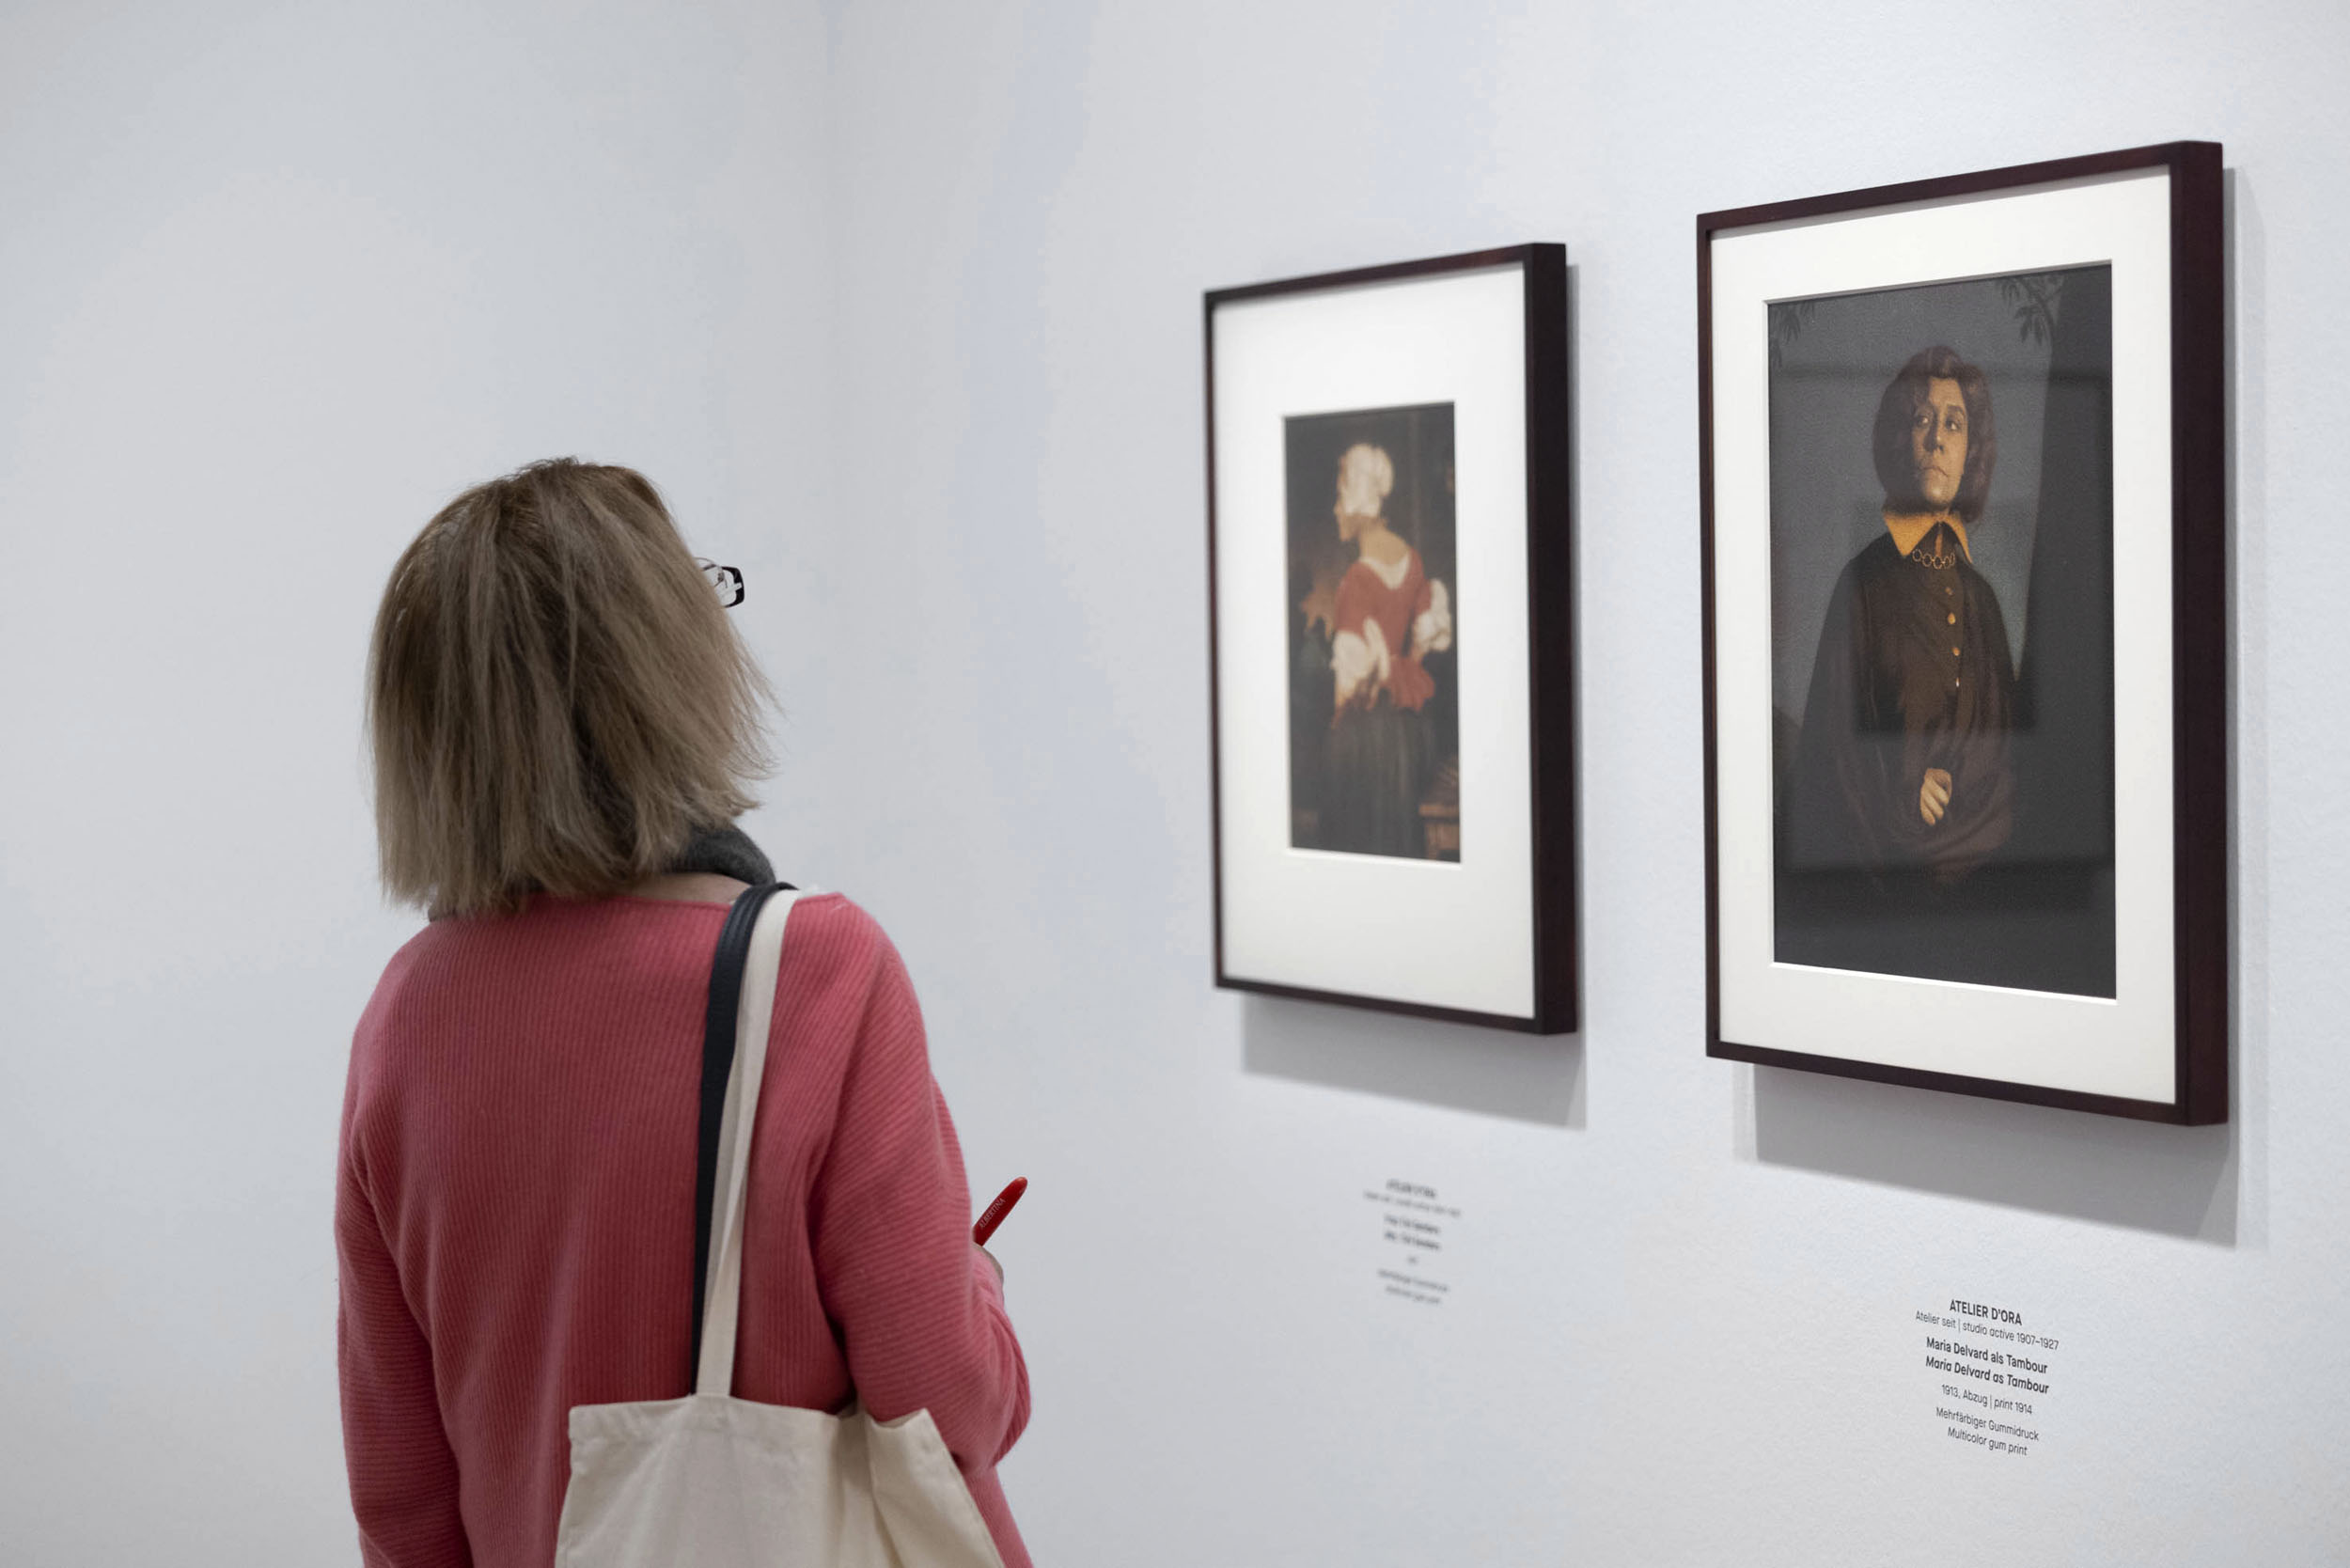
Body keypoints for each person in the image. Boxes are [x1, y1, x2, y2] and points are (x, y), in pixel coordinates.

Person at [337, 459, 1031, 1567]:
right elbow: (951, 1412)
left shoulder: (407, 1016)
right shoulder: (817, 971)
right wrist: (977, 1283)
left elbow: (403, 1501)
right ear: (666, 669)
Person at [1786, 345, 2017, 885]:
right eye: (1922, 419)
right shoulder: (1862, 583)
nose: (1937, 437)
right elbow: (1832, 753)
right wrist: (1904, 786)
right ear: (1901, 438)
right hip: (1877, 877)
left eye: (1955, 424)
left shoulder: (1982, 601)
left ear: (1971, 453)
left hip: (1981, 880)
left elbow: (2009, 762)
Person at [1319, 441, 1453, 858]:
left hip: (1368, 739)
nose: (1336, 511)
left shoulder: (1356, 581)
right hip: (1409, 732)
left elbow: (1352, 688)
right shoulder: (1413, 561)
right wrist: (1394, 664)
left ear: (1356, 500)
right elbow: (1420, 646)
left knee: (1362, 838)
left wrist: (1343, 710)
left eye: (1340, 498)